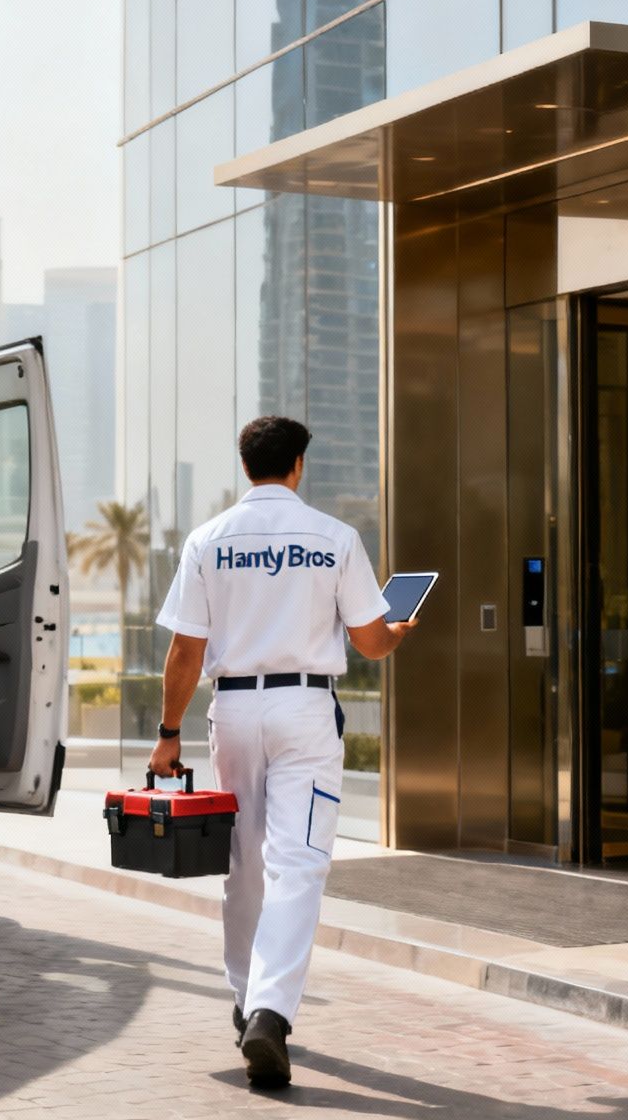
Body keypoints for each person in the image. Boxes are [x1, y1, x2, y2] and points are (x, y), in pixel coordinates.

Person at [150, 415, 415, 1089]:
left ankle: (247, 1004)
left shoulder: (208, 540)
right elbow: (370, 642)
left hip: (234, 708)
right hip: (303, 710)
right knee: (298, 864)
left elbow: (184, 651)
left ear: (247, 467)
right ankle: (270, 1010)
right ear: (298, 464)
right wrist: (399, 629)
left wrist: (168, 734)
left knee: (244, 864)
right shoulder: (335, 538)